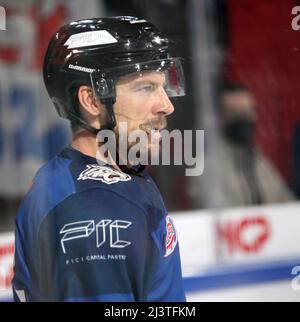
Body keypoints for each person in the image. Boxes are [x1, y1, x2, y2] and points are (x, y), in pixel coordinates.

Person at [12, 16, 186, 302]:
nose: (166, 105)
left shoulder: (79, 182)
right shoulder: (97, 209)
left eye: (163, 87)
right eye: (146, 88)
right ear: (92, 100)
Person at [188, 83, 295, 208]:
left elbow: (286, 202)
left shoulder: (259, 160)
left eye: (247, 111)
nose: (243, 118)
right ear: (219, 118)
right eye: (234, 113)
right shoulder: (205, 165)